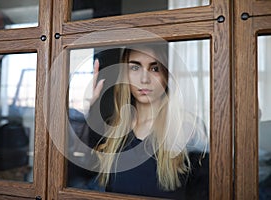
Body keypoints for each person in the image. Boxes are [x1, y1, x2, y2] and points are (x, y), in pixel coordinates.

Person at [86, 43, 209, 199]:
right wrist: (90, 108)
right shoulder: (114, 129)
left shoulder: (190, 129)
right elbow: (86, 171)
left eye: (155, 68)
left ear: (167, 74)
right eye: (135, 68)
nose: (144, 79)